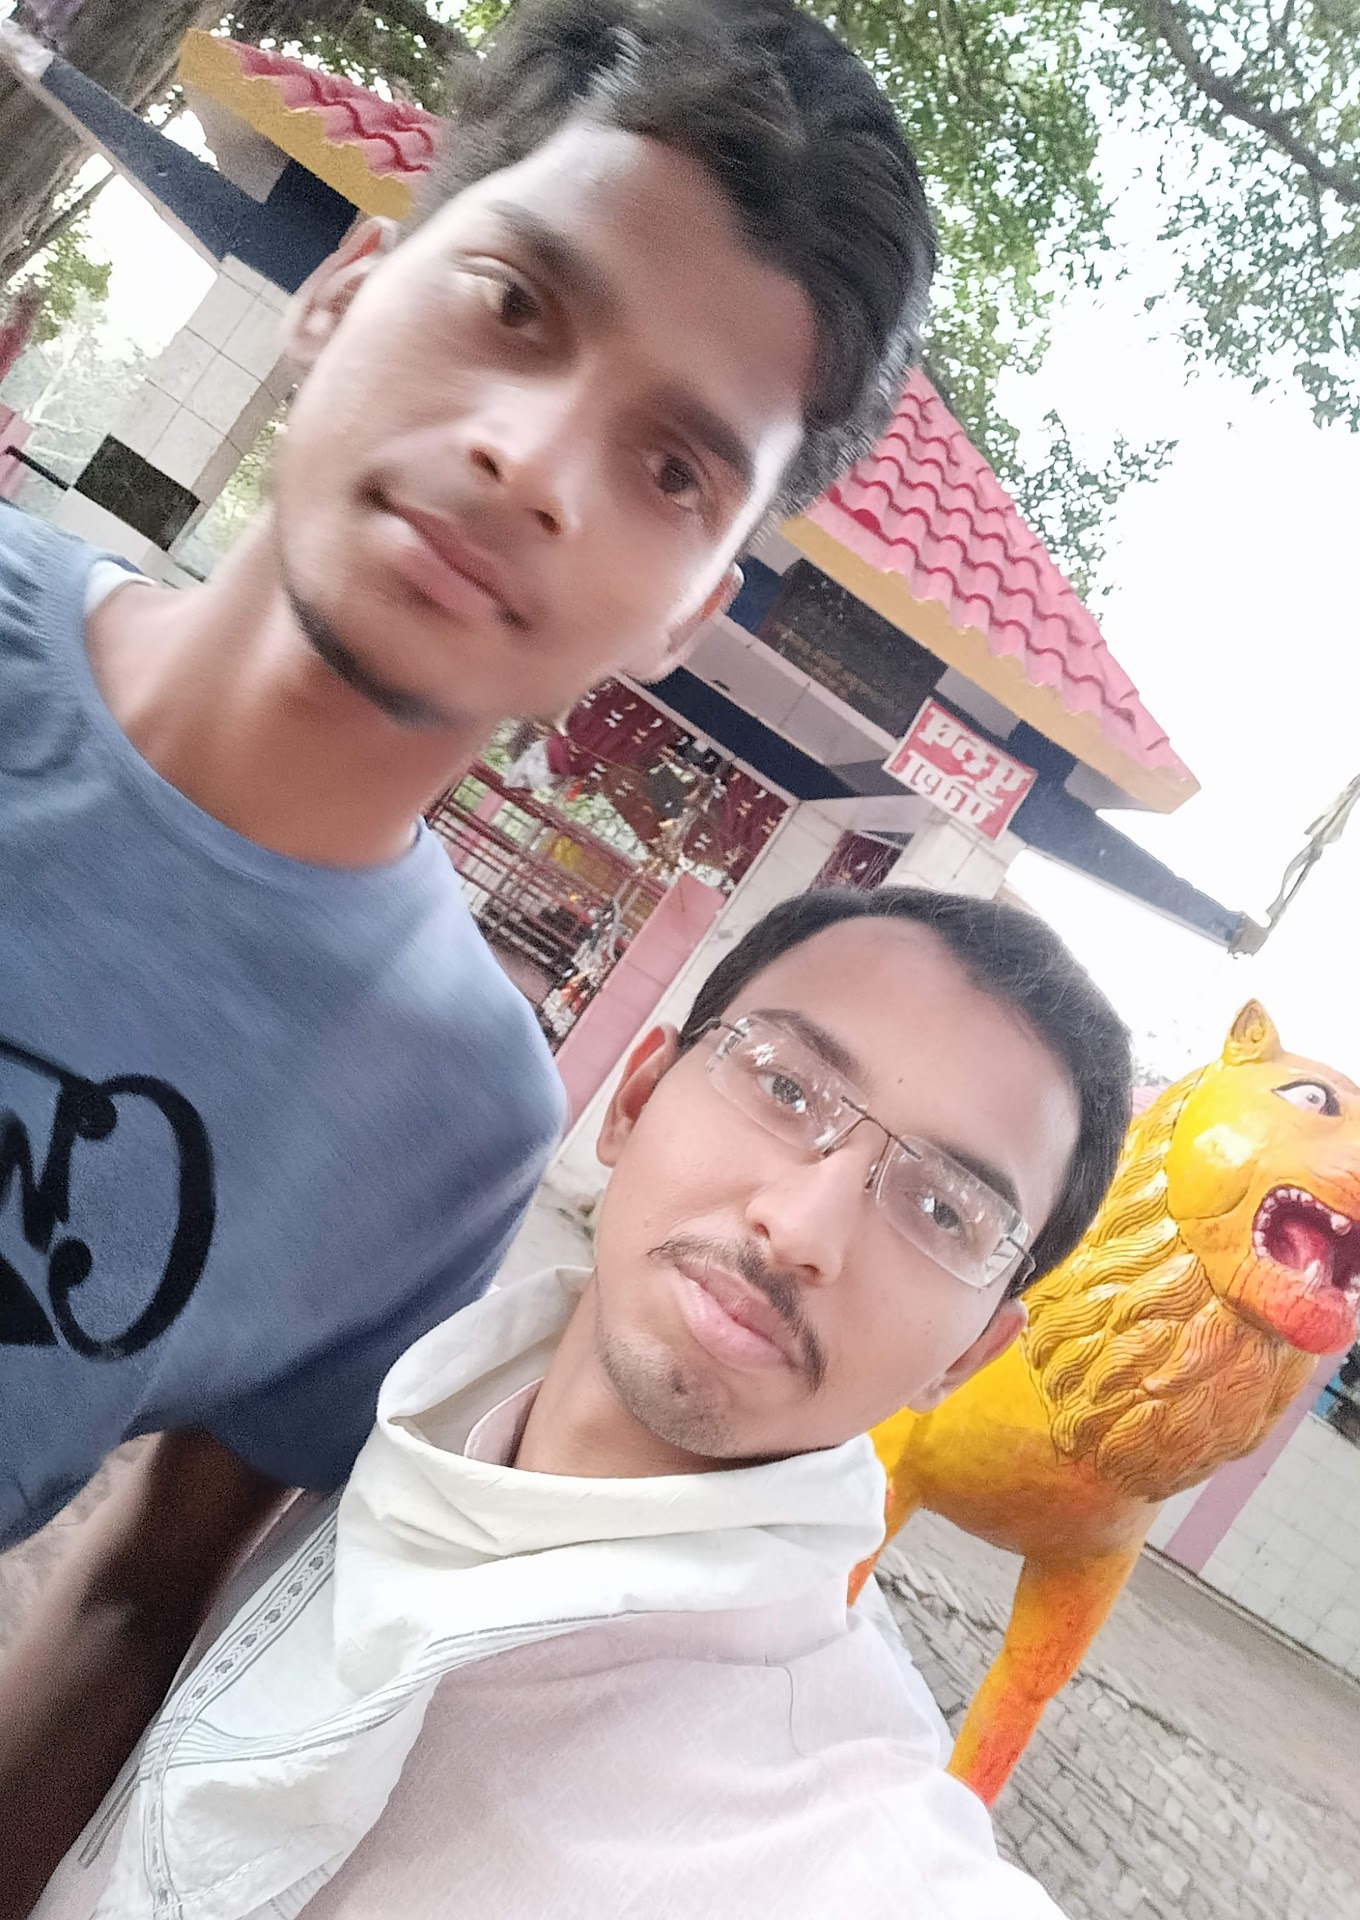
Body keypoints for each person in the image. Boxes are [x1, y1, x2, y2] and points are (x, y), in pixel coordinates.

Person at [0, 0, 935, 1899]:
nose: (534, 462)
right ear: (348, 288)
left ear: (688, 611)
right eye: (516, 304)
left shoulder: (449, 1111)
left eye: (673, 470)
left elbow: (148, 1587)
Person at [33, 885, 1133, 1919]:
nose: (803, 1227)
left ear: (970, 1354)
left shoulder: (843, 1843)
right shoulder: (385, 1405)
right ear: (636, 1099)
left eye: (942, 1212)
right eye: (787, 1088)